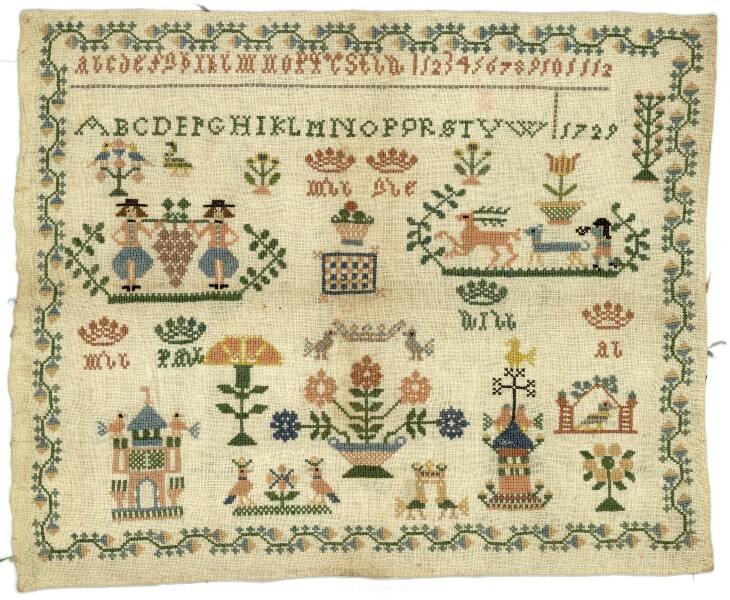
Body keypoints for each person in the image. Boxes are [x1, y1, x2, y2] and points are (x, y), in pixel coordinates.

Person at [189, 199, 240, 289]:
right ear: (213, 213)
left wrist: (228, 243)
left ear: (224, 213)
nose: (218, 214)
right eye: (216, 211)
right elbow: (200, 235)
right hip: (213, 249)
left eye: (221, 212)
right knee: (214, 265)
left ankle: (222, 283)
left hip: (223, 249)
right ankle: (217, 283)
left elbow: (236, 236)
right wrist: (194, 228)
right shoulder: (210, 225)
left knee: (221, 265)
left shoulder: (225, 226)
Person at [111, 198, 154, 291]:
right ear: (124, 212)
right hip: (126, 248)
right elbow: (114, 234)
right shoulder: (124, 224)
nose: (131, 213)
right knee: (127, 266)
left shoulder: (138, 224)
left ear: (137, 212)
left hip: (136, 248)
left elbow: (148, 233)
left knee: (134, 266)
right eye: (128, 210)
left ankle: (133, 284)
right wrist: (119, 242)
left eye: (133, 210)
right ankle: (128, 284)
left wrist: (154, 229)